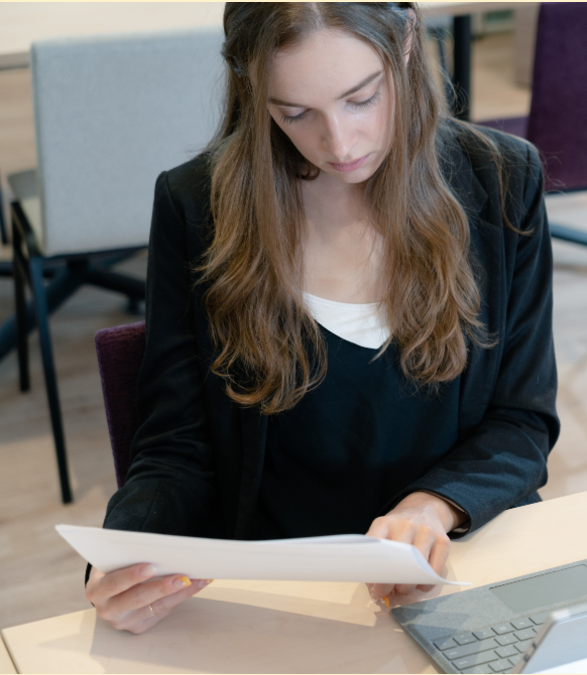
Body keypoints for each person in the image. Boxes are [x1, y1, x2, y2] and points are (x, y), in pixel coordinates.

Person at [83, 2, 558, 634]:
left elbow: (522, 420)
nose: (339, 144)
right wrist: (126, 554)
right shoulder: (198, 205)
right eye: (295, 113)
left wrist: (433, 506)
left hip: (457, 561)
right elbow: (175, 444)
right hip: (283, 587)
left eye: (361, 99)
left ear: (407, 44)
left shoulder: (501, 179)